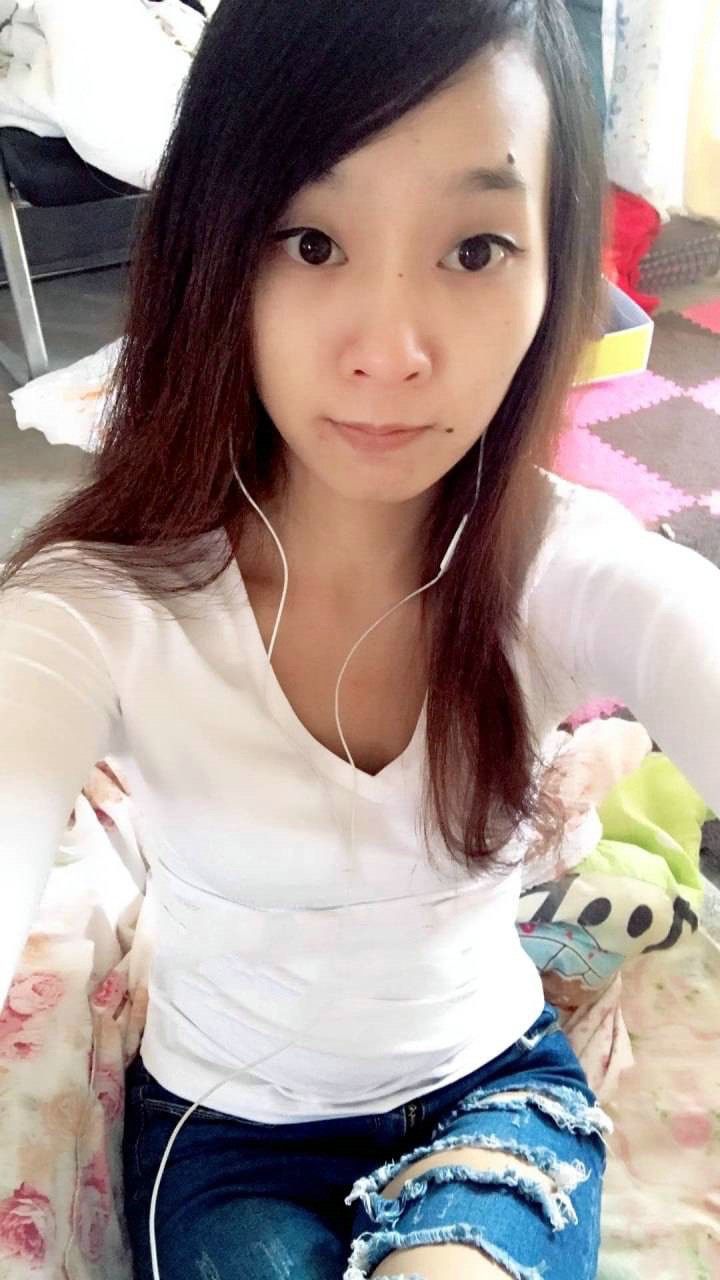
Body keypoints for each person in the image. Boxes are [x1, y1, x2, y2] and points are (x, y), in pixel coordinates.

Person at [1, 1, 718, 1277]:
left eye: (476, 247)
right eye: (313, 240)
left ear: (556, 272)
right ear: (215, 247)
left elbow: (684, 628)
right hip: (227, 1134)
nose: (390, 351)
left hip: (493, 1091)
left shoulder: (563, 565)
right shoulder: (101, 606)